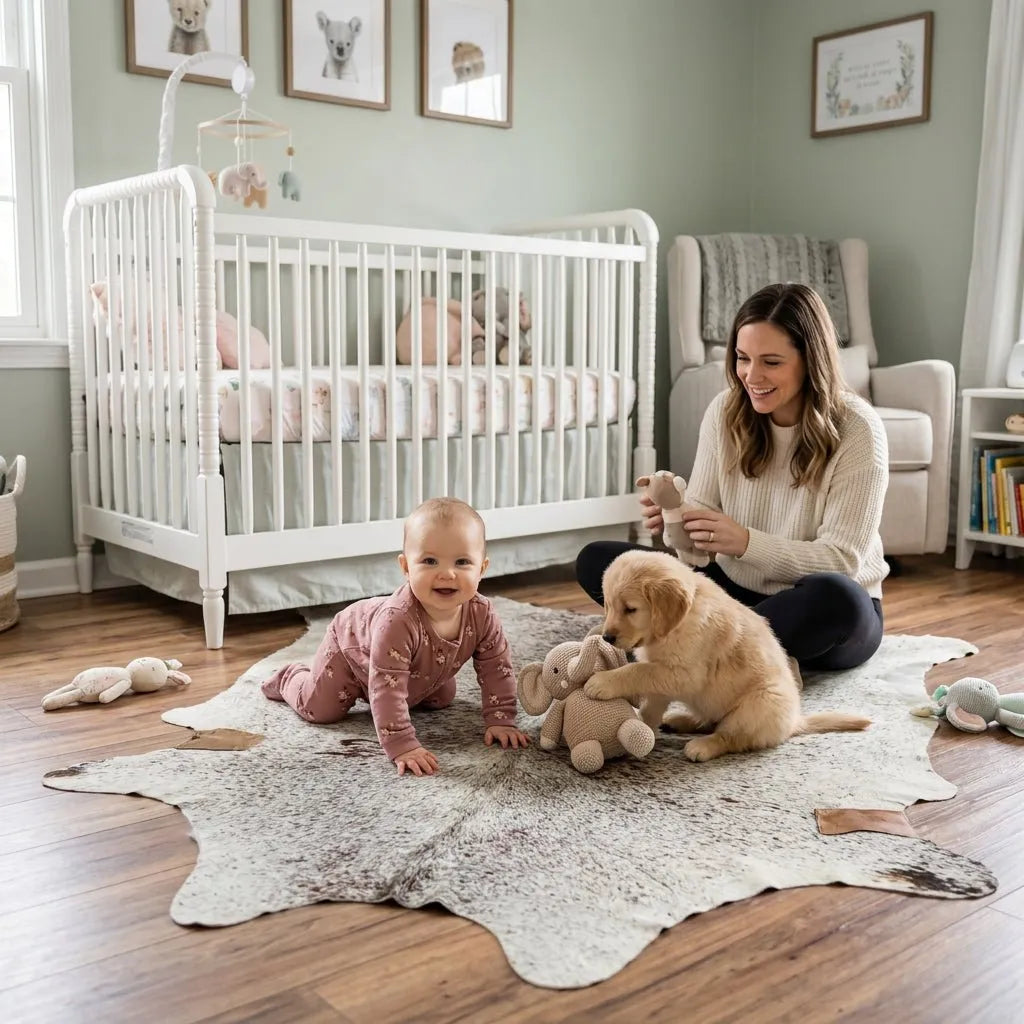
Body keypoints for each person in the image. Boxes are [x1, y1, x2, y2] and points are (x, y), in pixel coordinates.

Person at [576, 282, 889, 672]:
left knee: (840, 598)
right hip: (730, 590)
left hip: (815, 600)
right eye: (743, 358)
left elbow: (841, 560)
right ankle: (745, 652)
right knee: (600, 561)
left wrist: (745, 543)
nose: (751, 375)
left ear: (811, 361)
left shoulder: (859, 429)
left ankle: (705, 649)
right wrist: (677, 521)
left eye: (771, 362)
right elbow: (696, 555)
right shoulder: (725, 411)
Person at [262, 497, 529, 776]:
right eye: (429, 561)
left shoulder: (482, 613)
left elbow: (496, 668)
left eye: (462, 562)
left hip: (409, 668)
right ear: (405, 567)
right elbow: (386, 687)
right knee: (320, 710)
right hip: (351, 650)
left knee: (442, 697)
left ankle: (418, 680)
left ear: (482, 569)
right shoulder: (397, 620)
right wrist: (402, 744)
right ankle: (290, 677)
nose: (447, 573)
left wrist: (502, 719)